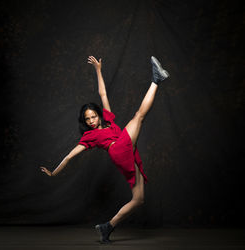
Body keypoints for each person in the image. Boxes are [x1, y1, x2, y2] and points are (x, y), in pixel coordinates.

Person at [40, 55, 169, 244]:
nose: (91, 121)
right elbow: (69, 156)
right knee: (138, 116)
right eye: (88, 119)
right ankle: (156, 80)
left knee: (139, 199)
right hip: (117, 149)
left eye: (93, 116)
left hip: (126, 152)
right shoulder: (88, 137)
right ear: (85, 122)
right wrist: (53, 173)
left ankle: (107, 227)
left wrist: (98, 70)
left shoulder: (108, 120)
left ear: (98, 116)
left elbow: (103, 95)